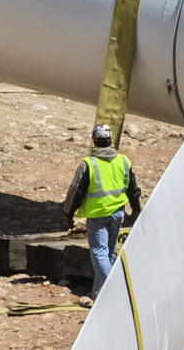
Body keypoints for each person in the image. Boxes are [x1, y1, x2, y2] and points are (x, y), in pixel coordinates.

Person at [61, 124, 143, 295]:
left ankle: (111, 292)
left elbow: (75, 192)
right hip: (118, 214)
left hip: (98, 216)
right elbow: (133, 189)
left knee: (99, 254)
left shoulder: (88, 164)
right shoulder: (123, 161)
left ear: (94, 141)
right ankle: (98, 293)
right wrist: (136, 210)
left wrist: (68, 214)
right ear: (110, 140)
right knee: (109, 254)